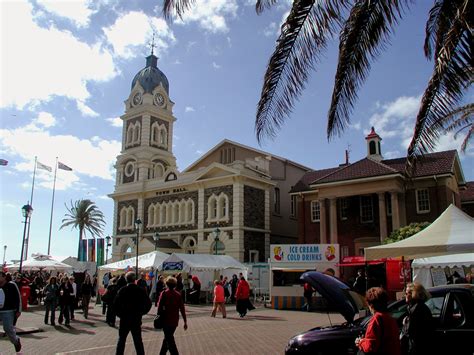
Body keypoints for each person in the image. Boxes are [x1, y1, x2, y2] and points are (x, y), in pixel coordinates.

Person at [114, 271, 152, 355]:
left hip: (125, 319)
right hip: (136, 318)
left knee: (121, 340)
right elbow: (148, 304)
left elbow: (115, 306)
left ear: (126, 280)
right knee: (138, 341)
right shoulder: (140, 290)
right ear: (134, 280)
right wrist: (141, 312)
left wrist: (121, 315)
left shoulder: (122, 290)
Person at [355, 287, 401, 355]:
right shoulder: (391, 319)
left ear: (371, 305)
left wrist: (360, 342)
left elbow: (370, 347)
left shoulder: (376, 319)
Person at [157, 276, 188, 355]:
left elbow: (159, 307)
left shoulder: (164, 293)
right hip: (174, 320)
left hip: (165, 319)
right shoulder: (178, 295)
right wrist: (185, 321)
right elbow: (182, 309)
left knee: (169, 339)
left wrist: (158, 316)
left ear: (166, 284)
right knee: (168, 338)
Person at [401, 282, 434, 355]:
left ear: (413, 294)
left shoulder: (416, 308)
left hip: (416, 347)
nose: (405, 295)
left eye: (406, 293)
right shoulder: (419, 307)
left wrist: (405, 323)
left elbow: (409, 331)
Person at [0, 271, 22, 352]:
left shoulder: (12, 285)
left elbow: (18, 297)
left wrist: (19, 310)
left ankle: (16, 341)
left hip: (8, 311)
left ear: (4, 277)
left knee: (8, 328)